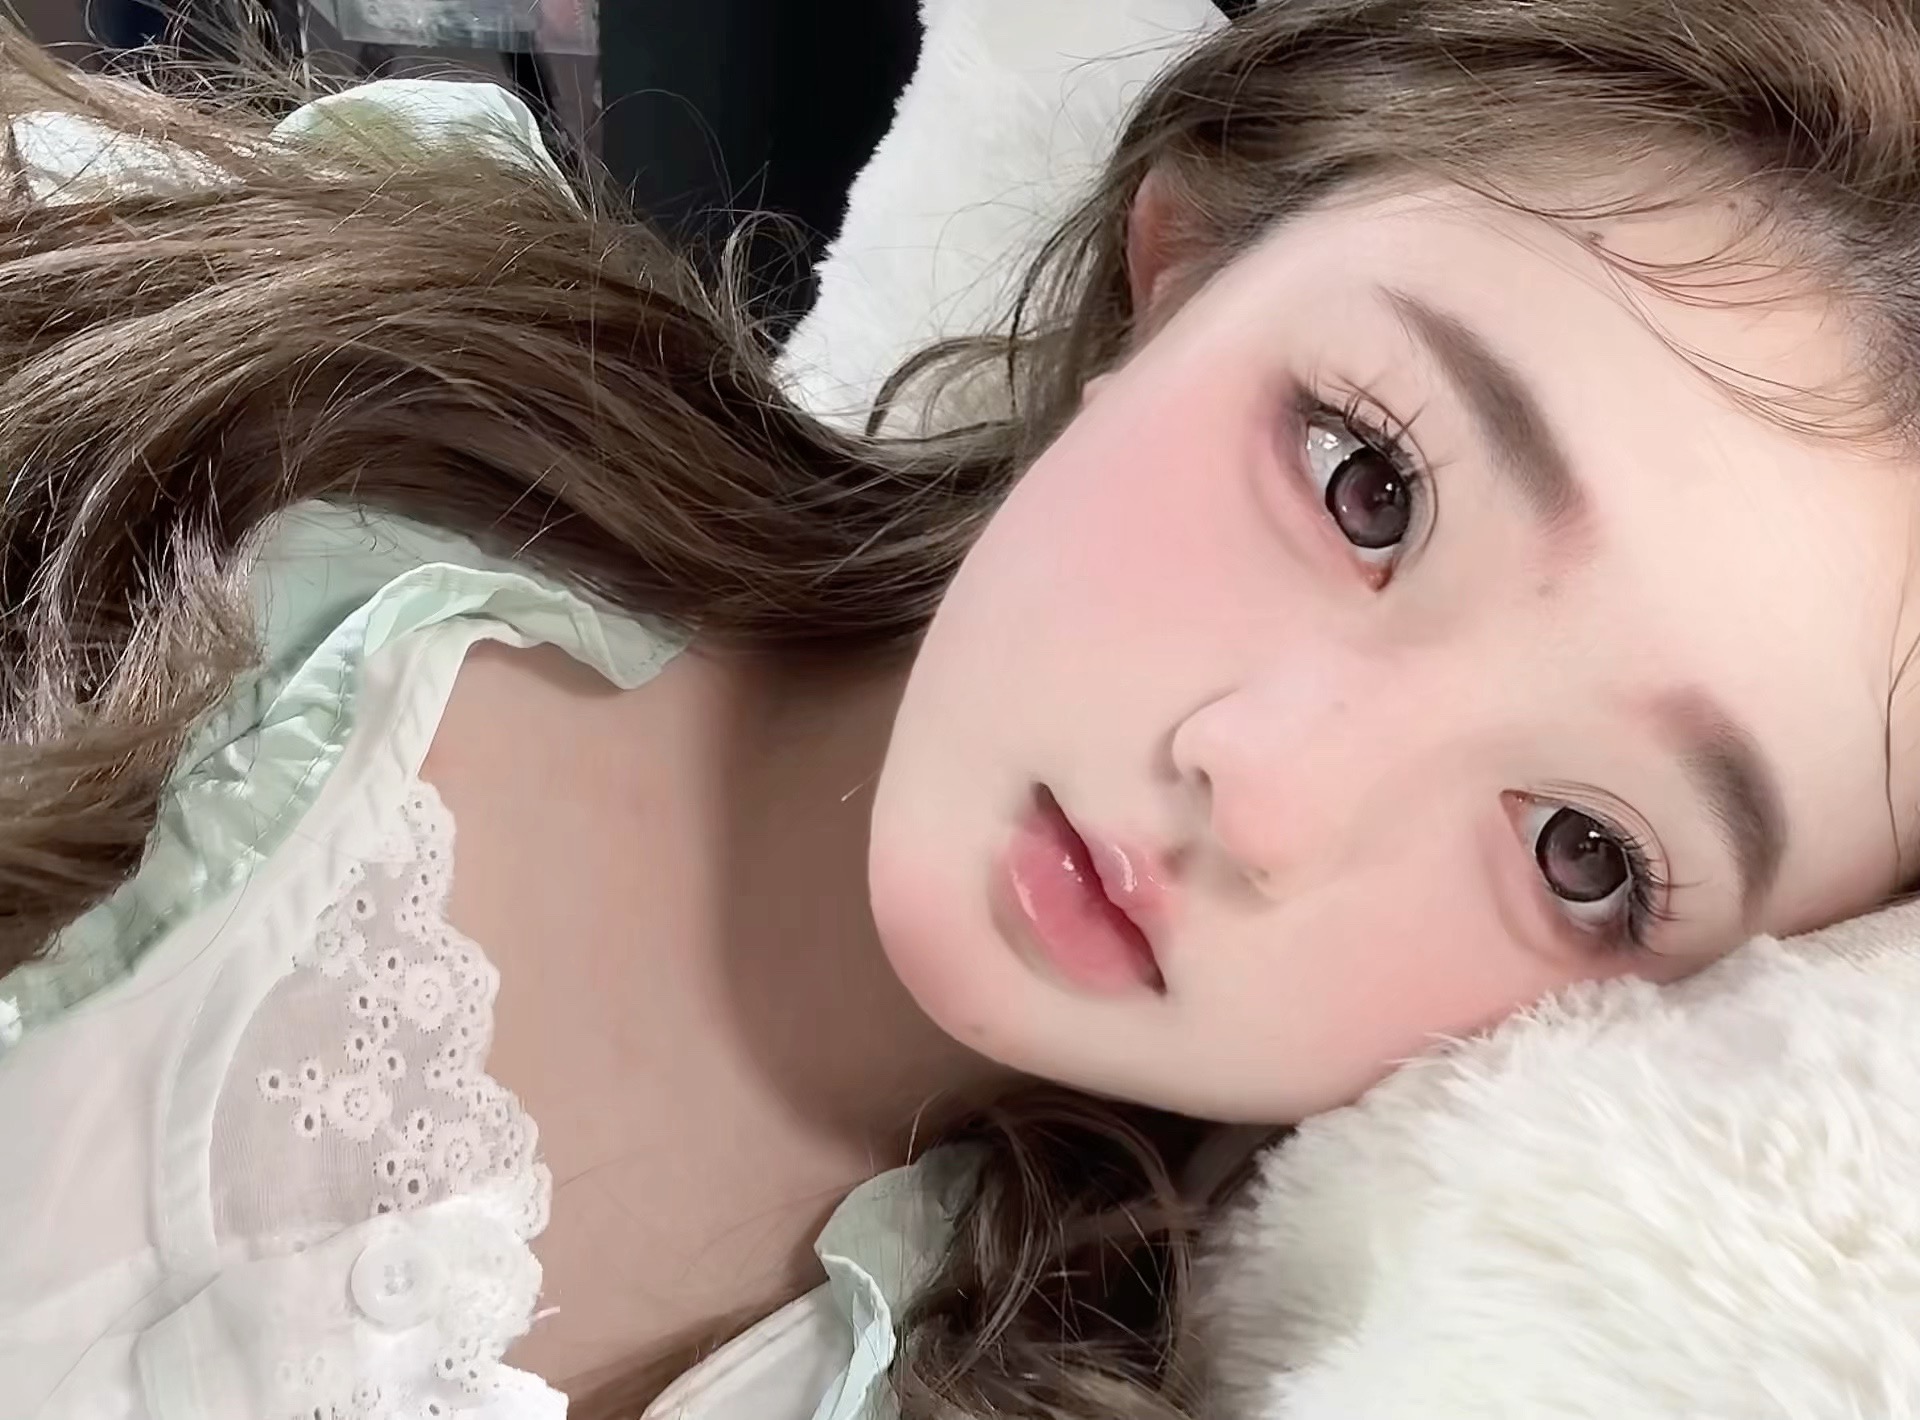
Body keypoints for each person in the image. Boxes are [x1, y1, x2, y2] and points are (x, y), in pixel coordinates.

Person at [4, 1, 1920, 1416]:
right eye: (1367, 486)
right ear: (1184, 268)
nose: (1263, 797)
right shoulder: (339, 426)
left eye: (1582, 853)